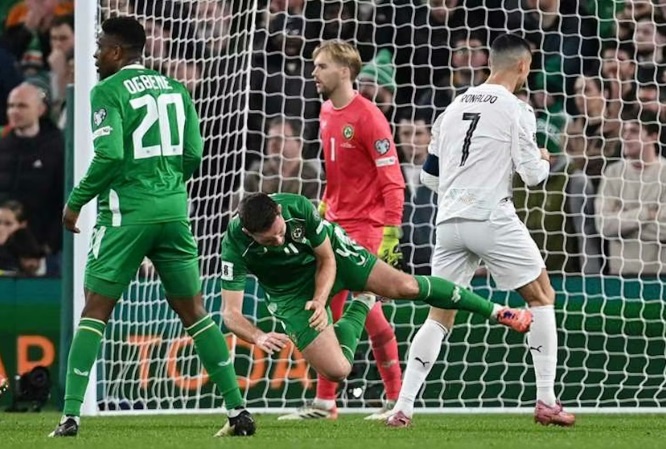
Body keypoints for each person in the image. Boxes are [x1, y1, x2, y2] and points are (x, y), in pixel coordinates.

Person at [49, 17, 254, 438]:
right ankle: (237, 411)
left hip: (126, 216)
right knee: (194, 312)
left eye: (100, 46)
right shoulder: (177, 88)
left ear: (117, 51)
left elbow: (109, 156)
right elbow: (194, 153)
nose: (95, 54)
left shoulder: (107, 90)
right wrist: (167, 185)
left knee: (95, 311)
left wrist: (75, 202)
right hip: (174, 212)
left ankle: (70, 417)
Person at [386, 34, 576, 428]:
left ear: (490, 63)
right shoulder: (517, 109)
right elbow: (533, 176)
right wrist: (543, 157)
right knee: (542, 295)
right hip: (490, 215)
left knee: (440, 315)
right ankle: (546, 400)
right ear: (523, 66)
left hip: (448, 221)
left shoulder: (452, 108)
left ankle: (402, 407)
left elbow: (428, 178)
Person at [221, 192, 532, 407]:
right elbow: (230, 314)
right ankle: (364, 301)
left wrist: (320, 298)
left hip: (333, 259)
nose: (279, 240)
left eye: (280, 232)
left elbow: (327, 259)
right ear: (248, 232)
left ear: (278, 212)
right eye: (269, 240)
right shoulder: (234, 246)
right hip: (289, 293)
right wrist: (258, 336)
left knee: (406, 286)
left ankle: (497, 311)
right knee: (337, 370)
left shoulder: (297, 207)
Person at [282, 39, 406, 421]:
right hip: (335, 224)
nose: (314, 72)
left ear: (344, 71)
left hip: (367, 228)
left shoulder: (369, 117)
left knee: (349, 311)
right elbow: (335, 175)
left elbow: (393, 182)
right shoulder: (324, 112)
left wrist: (391, 234)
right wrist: (323, 209)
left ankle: (371, 400)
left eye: (321, 66)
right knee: (342, 310)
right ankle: (338, 403)